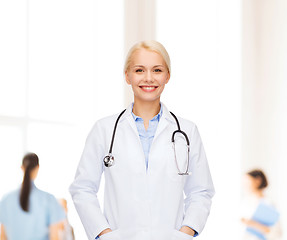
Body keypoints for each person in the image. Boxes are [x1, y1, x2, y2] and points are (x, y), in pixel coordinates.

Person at [69, 40, 215, 240]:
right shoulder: (104, 129)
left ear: (167, 76)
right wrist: (104, 234)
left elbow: (201, 191)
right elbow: (82, 188)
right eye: (139, 70)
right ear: (127, 76)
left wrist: (184, 234)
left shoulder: (187, 131)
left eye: (157, 70)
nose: (148, 78)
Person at [0, 153, 65, 240]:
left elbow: (3, 237)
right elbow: (54, 237)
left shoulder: (6, 200)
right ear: (37, 168)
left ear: (22, 168)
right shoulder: (49, 200)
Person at [240, 169, 282, 240]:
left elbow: (277, 233)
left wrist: (253, 224)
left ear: (258, 181)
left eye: (247, 182)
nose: (244, 186)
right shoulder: (245, 202)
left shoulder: (268, 203)